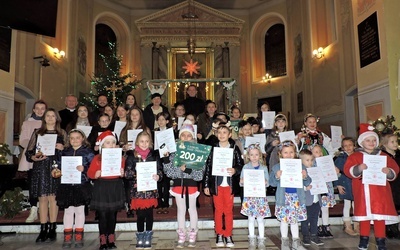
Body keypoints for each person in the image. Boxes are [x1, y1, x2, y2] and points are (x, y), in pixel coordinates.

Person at [344, 123, 399, 250]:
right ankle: (364, 239)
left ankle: (381, 241)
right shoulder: (355, 156)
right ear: (362, 142)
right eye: (368, 140)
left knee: (380, 216)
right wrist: (358, 168)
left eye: (374, 140)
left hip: (380, 192)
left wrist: (389, 171)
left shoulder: (383, 155)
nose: (371, 142)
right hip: (363, 192)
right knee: (365, 217)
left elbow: (395, 168)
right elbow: (347, 170)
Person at [25, 108, 67, 243]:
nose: (50, 118)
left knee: (53, 198)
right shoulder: (37, 133)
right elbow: (29, 152)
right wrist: (34, 158)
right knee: (42, 198)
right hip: (41, 167)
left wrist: (63, 148)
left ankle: (53, 228)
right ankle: (43, 228)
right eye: (47, 116)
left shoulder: (62, 133)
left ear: (57, 119)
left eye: (53, 116)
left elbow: (70, 150)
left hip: (55, 167)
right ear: (44, 118)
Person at [162, 120, 206, 248]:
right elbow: (169, 173)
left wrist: (187, 170)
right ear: (179, 136)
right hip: (178, 185)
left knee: (192, 209)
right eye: (183, 135)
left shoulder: (198, 152)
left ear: (192, 137)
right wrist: (166, 160)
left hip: (191, 185)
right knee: (180, 210)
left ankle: (193, 231)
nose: (186, 138)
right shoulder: (174, 152)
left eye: (189, 135)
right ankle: (181, 232)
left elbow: (199, 175)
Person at [204, 121, 244, 248]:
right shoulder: (213, 149)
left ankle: (228, 234)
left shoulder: (234, 148)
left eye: (224, 132)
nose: (222, 135)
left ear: (230, 134)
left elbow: (240, 164)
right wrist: (206, 185)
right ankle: (219, 233)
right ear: (216, 134)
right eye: (219, 132)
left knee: (228, 210)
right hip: (217, 184)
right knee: (218, 210)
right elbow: (208, 168)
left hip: (229, 185)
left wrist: (235, 170)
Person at [269, 140, 310, 250]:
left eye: (291, 152)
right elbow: (271, 183)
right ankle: (285, 242)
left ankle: (296, 242)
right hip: (284, 198)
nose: (288, 155)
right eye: (285, 152)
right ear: (280, 154)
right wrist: (277, 176)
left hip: (297, 197)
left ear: (295, 153)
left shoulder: (301, 166)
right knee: (284, 220)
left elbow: (308, 182)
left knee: (295, 221)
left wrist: (305, 176)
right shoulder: (277, 167)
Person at [87, 131, 125, 250]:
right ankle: (103, 239)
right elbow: (90, 173)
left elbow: (122, 171)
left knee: (112, 215)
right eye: (108, 143)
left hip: (115, 186)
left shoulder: (121, 158)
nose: (111, 145)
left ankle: (111, 238)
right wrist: (95, 174)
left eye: (113, 142)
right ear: (102, 145)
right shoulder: (97, 158)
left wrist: (122, 173)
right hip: (102, 187)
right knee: (103, 215)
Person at [124, 131, 162, 249]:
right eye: (142, 141)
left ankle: (148, 235)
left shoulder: (154, 155)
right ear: (137, 142)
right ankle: (140, 236)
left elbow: (160, 170)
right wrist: (137, 172)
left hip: (150, 190)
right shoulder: (132, 156)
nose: (144, 144)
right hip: (138, 191)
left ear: (150, 142)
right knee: (140, 215)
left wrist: (158, 176)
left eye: (147, 141)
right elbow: (127, 174)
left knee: (149, 214)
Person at [57, 129, 94, 248]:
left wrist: (85, 169)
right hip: (67, 185)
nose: (75, 140)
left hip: (81, 185)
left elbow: (93, 168)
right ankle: (67, 236)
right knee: (68, 211)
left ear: (82, 138)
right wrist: (56, 170)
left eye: (77, 137)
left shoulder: (88, 152)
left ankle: (79, 235)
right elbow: (57, 164)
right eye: (72, 138)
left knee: (79, 210)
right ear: (68, 140)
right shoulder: (65, 152)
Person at [18, 100, 47, 223]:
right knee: (32, 184)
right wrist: (33, 148)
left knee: (45, 183)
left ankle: (43, 208)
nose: (40, 111)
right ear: (34, 110)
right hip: (32, 156)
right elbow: (22, 140)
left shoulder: (49, 122)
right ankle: (33, 208)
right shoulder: (27, 123)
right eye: (37, 108)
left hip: (46, 156)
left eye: (43, 108)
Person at [239, 144, 270, 250]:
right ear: (248, 156)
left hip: (260, 197)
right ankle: (252, 239)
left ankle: (261, 239)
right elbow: (241, 182)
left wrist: (265, 182)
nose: (254, 157)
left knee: (260, 219)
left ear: (260, 155)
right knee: (251, 219)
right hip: (250, 197)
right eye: (252, 155)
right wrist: (242, 181)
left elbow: (268, 182)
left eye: (256, 154)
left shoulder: (264, 168)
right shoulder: (245, 167)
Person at [311, 144, 337, 239]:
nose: (320, 153)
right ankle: (317, 227)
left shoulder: (327, 163)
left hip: (327, 188)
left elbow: (334, 176)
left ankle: (326, 226)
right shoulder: (312, 164)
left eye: (320, 151)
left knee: (325, 209)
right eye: (316, 152)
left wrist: (336, 172)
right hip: (318, 189)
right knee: (317, 209)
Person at [334, 137, 358, 236]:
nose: (348, 147)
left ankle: (357, 224)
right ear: (342, 148)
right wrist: (338, 185)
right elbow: (336, 173)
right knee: (347, 204)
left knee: (356, 205)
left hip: (356, 184)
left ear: (354, 146)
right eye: (345, 146)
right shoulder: (340, 159)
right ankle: (347, 225)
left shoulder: (358, 157)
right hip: (345, 183)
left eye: (350, 145)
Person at [299, 149, 324, 246]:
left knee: (315, 218)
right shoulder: (301, 172)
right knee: (305, 219)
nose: (310, 162)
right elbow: (297, 184)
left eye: (311, 160)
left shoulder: (316, 170)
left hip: (316, 199)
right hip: (306, 200)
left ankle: (314, 235)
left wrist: (323, 194)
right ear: (301, 161)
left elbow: (321, 182)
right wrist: (305, 187)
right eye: (307, 160)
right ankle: (305, 236)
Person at [380, 133, 400, 239]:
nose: (395, 144)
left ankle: (395, 228)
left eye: (396, 141)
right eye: (392, 142)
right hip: (388, 185)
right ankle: (389, 229)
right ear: (384, 144)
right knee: (389, 206)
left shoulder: (398, 155)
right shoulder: (382, 156)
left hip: (398, 184)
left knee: (396, 206)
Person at [154, 112, 172, 214]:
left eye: (163, 119)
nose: (160, 122)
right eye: (159, 120)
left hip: (168, 158)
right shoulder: (155, 132)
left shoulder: (171, 132)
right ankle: (159, 203)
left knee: (166, 182)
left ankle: (166, 203)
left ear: (167, 121)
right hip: (158, 158)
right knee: (159, 182)